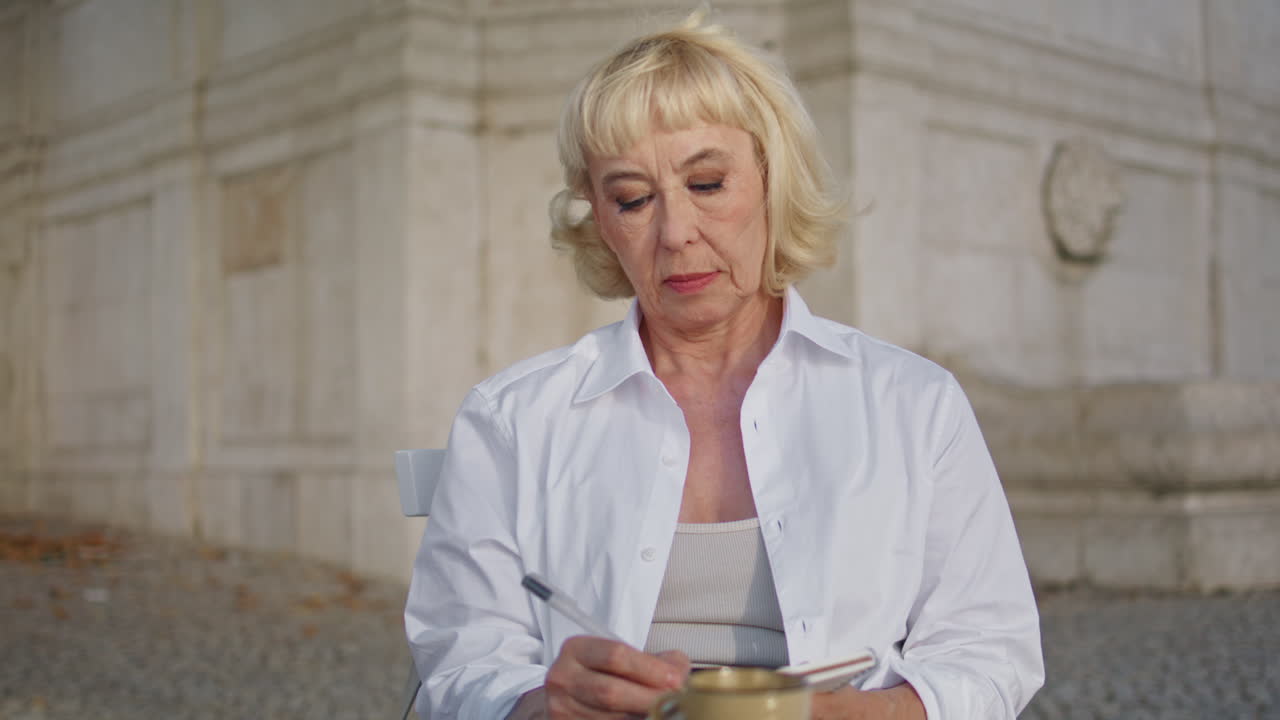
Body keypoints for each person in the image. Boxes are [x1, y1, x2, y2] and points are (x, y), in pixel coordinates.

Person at [405, 10, 1044, 720]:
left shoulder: (913, 404)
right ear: (599, 219)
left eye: (707, 183)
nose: (676, 233)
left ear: (773, 180)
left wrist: (830, 717)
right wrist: (537, 707)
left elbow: (991, 653)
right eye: (633, 199)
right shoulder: (513, 419)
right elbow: (458, 664)